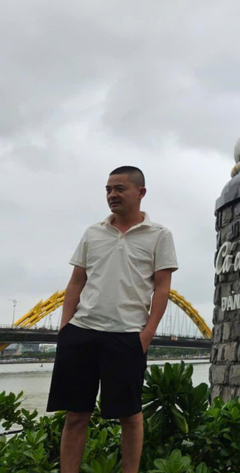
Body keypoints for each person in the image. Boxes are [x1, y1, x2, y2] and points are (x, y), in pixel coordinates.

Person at [47, 166, 178, 473]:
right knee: (76, 415)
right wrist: (65, 328)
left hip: (127, 336)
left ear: (140, 193)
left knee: (130, 417)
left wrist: (145, 335)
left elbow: (162, 289)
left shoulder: (160, 236)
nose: (112, 195)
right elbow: (76, 281)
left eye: (119, 188)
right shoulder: (93, 232)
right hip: (81, 331)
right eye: (108, 189)